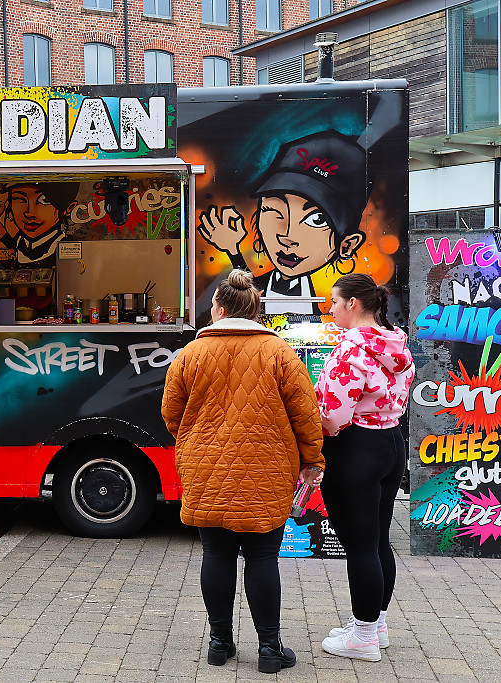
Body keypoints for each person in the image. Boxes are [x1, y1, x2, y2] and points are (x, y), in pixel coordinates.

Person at [161, 269, 325, 674]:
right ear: (256, 312)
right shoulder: (280, 353)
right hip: (266, 469)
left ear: (218, 309)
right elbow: (306, 415)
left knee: (215, 553)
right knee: (263, 556)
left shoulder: (189, 355)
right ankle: (270, 649)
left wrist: (197, 436)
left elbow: (170, 414)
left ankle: (219, 643)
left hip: (205, 465)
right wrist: (312, 459)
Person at [314, 273, 415, 662]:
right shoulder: (395, 342)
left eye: (335, 302)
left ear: (353, 304)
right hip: (390, 442)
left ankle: (363, 638)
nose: (331, 309)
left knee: (358, 544)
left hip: (354, 447)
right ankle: (375, 624)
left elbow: (334, 417)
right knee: (377, 539)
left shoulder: (350, 350)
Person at [198, 130, 368, 314]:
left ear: (347, 244)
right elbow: (247, 289)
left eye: (316, 220)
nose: (287, 236)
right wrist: (233, 249)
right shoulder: (261, 284)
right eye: (274, 210)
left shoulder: (332, 299)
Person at [0, 182, 77, 267]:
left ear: (68, 208)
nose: (29, 212)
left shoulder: (63, 246)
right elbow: (6, 240)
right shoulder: (20, 242)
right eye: (20, 199)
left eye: (44, 200)